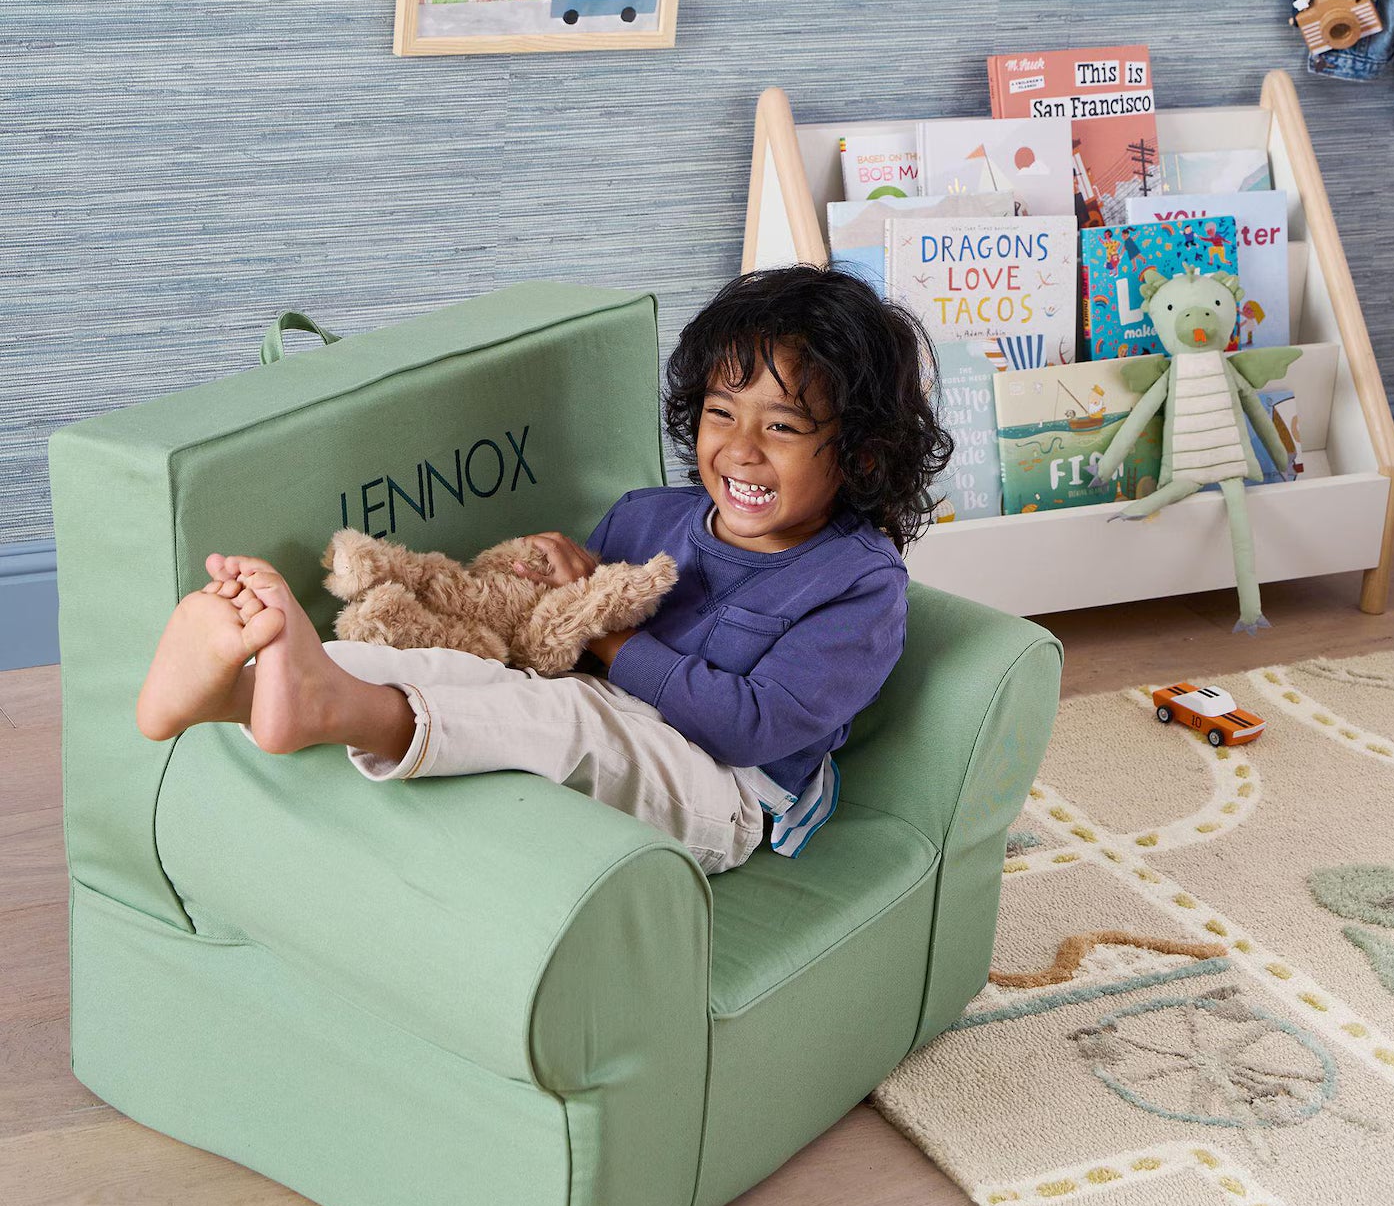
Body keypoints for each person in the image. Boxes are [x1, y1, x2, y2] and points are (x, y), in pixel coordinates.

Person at [135, 266, 952, 874]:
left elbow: (748, 727)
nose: (740, 449)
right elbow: (554, 645)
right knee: (460, 670)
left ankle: (325, 705)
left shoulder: (858, 585)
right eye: (720, 413)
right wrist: (556, 600)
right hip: (600, 705)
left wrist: (610, 641)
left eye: (782, 427)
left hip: (727, 790)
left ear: (861, 452)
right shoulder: (648, 514)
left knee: (557, 722)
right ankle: (242, 688)